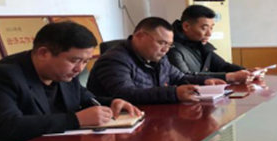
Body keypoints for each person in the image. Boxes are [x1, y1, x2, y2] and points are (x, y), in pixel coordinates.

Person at [0, 22, 139, 141]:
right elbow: (9, 126)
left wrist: (111, 102)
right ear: (43, 53)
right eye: (74, 60)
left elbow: (85, 97)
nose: (80, 69)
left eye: (85, 62)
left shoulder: (64, 73)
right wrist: (76, 119)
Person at [88, 17, 224, 105]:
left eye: (169, 45)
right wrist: (174, 93)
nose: (166, 49)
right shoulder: (114, 60)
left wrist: (205, 81)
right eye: (162, 43)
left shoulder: (159, 57)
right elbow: (126, 95)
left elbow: (179, 77)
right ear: (139, 36)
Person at [168, 5, 258, 83]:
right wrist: (230, 77)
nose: (209, 33)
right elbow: (184, 76)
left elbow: (222, 66)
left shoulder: (199, 44)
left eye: (211, 28)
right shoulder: (171, 47)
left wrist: (248, 71)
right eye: (204, 28)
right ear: (186, 26)